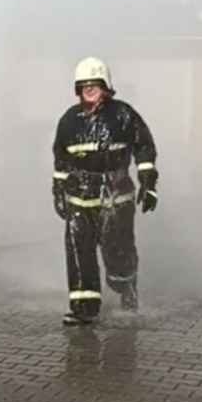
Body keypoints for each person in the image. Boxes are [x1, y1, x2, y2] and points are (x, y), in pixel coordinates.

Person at [51, 56, 158, 325]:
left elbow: (143, 145)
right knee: (79, 252)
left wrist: (149, 182)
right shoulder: (69, 121)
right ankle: (83, 309)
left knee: (117, 251)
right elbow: (61, 158)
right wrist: (58, 190)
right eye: (83, 85)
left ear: (106, 86)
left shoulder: (123, 114)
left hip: (116, 198)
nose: (89, 89)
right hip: (79, 198)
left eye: (94, 84)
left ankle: (125, 287)